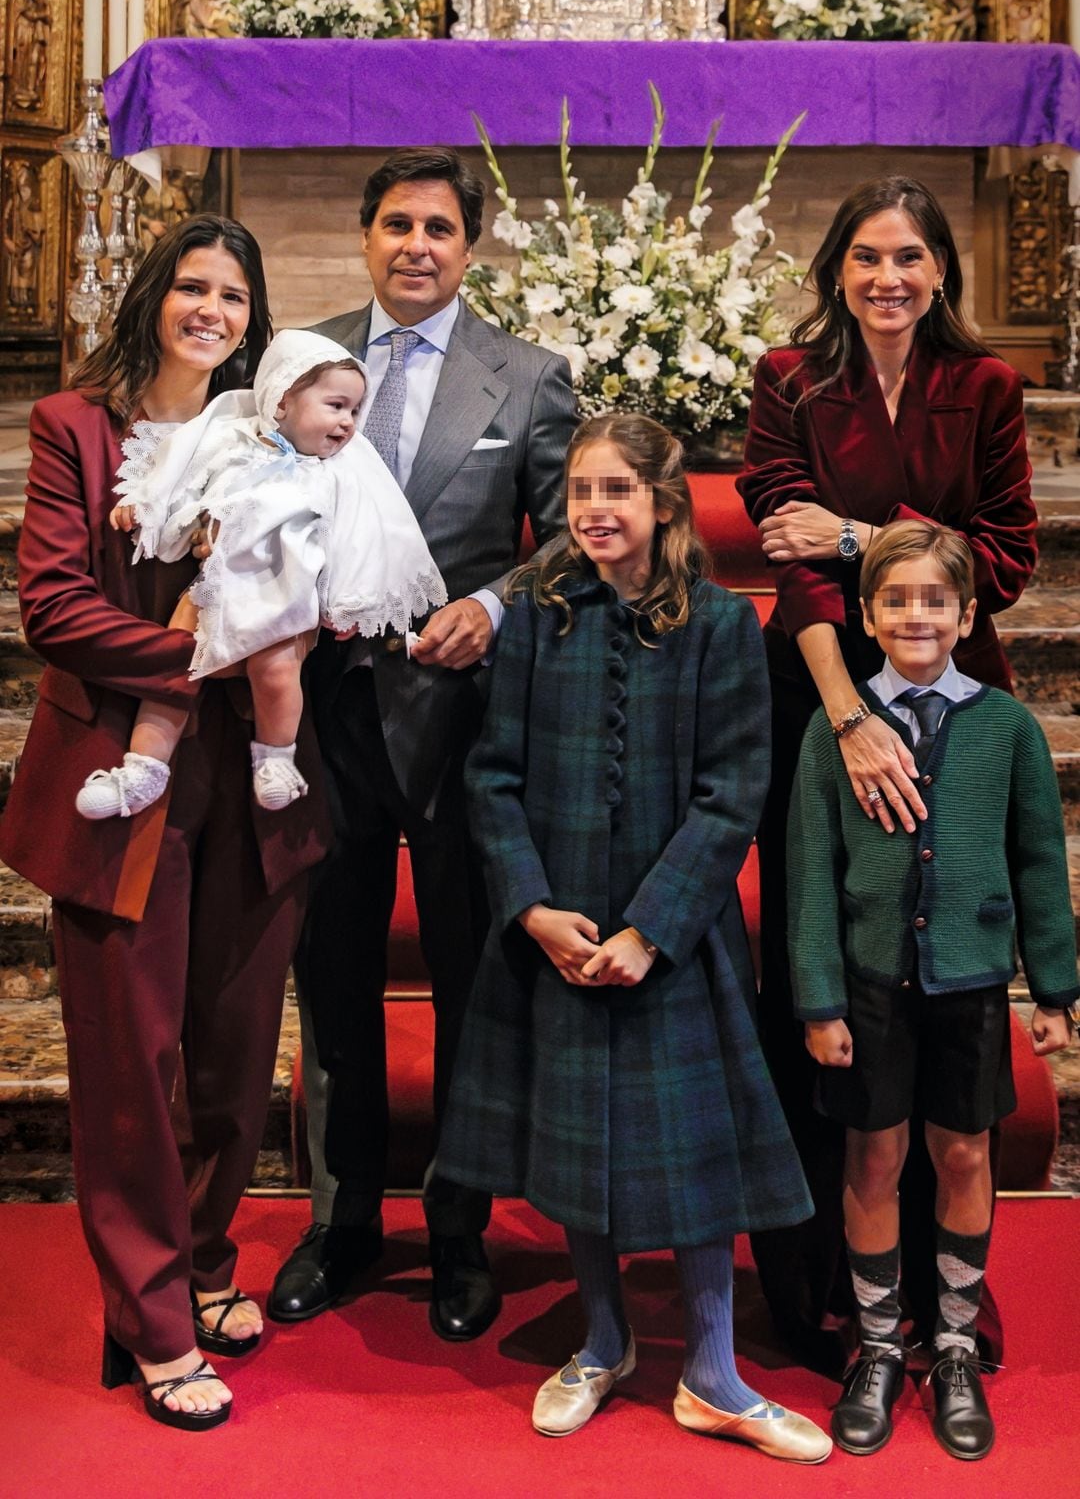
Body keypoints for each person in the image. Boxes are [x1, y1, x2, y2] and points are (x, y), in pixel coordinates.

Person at [434, 413, 830, 1461]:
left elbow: (732, 789)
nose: (595, 510)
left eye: (618, 490)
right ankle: (604, 1340)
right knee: (579, 1145)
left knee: (694, 1155)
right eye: (579, 492)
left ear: (664, 503)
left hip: (673, 938)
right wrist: (531, 907)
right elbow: (494, 775)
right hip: (558, 931)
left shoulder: (716, 626)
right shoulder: (534, 616)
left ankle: (712, 1370)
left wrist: (653, 927)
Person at [0, 216, 329, 1430]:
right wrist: (206, 655)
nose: (213, 310)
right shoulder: (74, 426)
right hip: (117, 780)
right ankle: (148, 1322)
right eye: (193, 286)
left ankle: (201, 1257)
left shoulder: (265, 427)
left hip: (250, 774)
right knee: (132, 1064)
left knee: (238, 1046)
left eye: (234, 295)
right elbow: (53, 606)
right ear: (154, 295)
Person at [269, 148, 578, 1339]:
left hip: (463, 730)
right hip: (321, 722)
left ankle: (459, 1230)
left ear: (470, 245)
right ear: (365, 236)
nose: (417, 245)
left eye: (440, 228)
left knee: (467, 988)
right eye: (396, 223)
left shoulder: (531, 376)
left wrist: (493, 605)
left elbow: (564, 537)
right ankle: (342, 1224)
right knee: (331, 979)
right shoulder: (300, 362)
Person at [736, 175, 1038, 1367]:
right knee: (823, 974)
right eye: (866, 257)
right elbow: (782, 546)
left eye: (910, 256)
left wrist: (863, 536)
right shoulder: (789, 379)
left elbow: (1004, 558)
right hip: (818, 695)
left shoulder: (988, 386)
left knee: (942, 971)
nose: (889, 278)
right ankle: (826, 1284)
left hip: (958, 694)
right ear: (837, 270)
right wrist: (846, 714)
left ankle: (942, 1285)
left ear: (942, 270)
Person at [789, 520, 1077, 1459]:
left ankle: (951, 1342)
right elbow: (808, 870)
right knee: (872, 1159)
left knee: (962, 1157)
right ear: (868, 616)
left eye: (936, 600)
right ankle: (877, 1342)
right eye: (897, 600)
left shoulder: (1006, 726)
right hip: (871, 986)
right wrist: (819, 1000)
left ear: (967, 613)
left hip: (972, 984)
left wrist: (1056, 987)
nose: (917, 615)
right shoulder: (836, 732)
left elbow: (1039, 860)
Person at [75, 330, 445, 821]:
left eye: (354, 411)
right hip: (215, 588)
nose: (347, 423)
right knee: (174, 671)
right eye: (336, 405)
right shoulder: (232, 440)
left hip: (287, 596)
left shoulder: (339, 471)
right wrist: (146, 506)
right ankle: (143, 768)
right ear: (283, 399)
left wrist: (348, 601)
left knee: (275, 672)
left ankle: (275, 758)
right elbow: (184, 474)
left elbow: (363, 536)